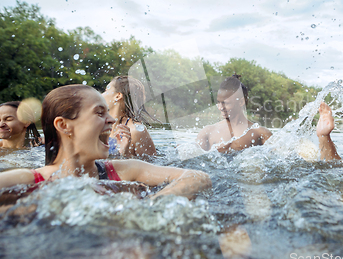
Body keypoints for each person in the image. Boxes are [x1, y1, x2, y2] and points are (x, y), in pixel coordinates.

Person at [0, 85, 212, 200]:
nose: (111, 119)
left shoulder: (123, 170)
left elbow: (196, 177)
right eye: (99, 113)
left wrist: (148, 212)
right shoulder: (30, 180)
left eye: (108, 112)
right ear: (64, 125)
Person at [196, 75, 272, 153]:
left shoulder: (260, 133)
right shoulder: (207, 133)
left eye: (226, 103)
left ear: (241, 102)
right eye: (218, 102)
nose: (220, 108)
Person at [102, 76, 157, 158]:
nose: (101, 94)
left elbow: (152, 166)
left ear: (118, 96)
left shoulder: (136, 130)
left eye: (106, 90)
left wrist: (126, 155)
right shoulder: (100, 125)